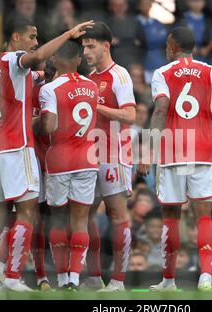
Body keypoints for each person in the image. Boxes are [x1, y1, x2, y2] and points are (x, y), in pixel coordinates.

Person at [0, 17, 94, 292]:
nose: (35, 43)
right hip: (18, 147)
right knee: (27, 212)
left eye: (37, 37)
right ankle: (12, 277)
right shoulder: (16, 59)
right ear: (15, 38)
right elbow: (37, 57)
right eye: (31, 36)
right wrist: (67, 34)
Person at [139, 27, 212, 292]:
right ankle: (206, 276)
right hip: (203, 151)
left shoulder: (162, 73)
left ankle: (168, 281)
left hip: (172, 153)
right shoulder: (211, 70)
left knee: (170, 216)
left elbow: (160, 109)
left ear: (172, 46)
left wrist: (149, 149)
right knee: (203, 215)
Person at [38, 40, 99, 291]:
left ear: (54, 60)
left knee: (58, 220)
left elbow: (49, 126)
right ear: (78, 60)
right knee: (81, 220)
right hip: (87, 158)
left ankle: (62, 279)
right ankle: (75, 278)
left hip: (60, 159)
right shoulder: (93, 86)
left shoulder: (50, 89)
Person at [82, 21, 136, 292]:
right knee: (86, 215)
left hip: (115, 155)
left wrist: (98, 107)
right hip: (90, 156)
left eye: (91, 46)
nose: (86, 52)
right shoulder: (90, 79)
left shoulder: (120, 75)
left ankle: (118, 281)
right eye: (83, 47)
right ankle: (93, 277)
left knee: (117, 216)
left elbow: (130, 115)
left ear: (106, 45)